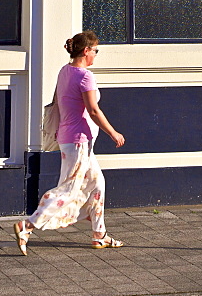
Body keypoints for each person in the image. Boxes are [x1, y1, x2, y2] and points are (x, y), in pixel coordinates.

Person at [14, 30, 125, 253]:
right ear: (86, 51)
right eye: (95, 50)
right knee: (69, 189)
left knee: (97, 184)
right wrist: (114, 133)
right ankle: (27, 225)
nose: (96, 55)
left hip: (70, 138)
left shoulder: (65, 71)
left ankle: (99, 234)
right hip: (79, 140)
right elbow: (93, 110)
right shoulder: (85, 76)